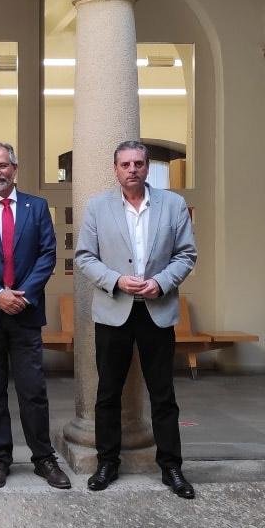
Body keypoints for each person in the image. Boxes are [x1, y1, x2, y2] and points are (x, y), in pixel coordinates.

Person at [74, 140, 198, 498]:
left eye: (139, 163)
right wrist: (115, 280)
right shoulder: (98, 207)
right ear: (116, 169)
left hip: (157, 311)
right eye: (125, 164)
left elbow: (186, 254)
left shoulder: (172, 204)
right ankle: (107, 462)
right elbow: (84, 257)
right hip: (114, 310)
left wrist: (161, 283)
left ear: (147, 168)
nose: (132, 169)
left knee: (163, 394)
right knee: (108, 393)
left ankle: (171, 466)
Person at [0, 142, 71, 490]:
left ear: (15, 169)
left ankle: (43, 459)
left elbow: (47, 255)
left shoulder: (37, 208)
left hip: (25, 311)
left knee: (33, 390)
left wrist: (22, 295)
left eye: (3, 166)